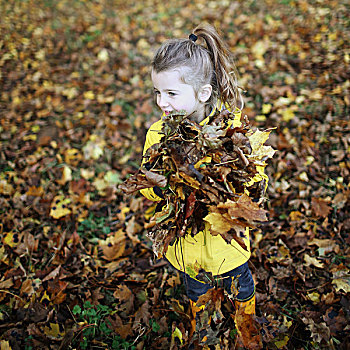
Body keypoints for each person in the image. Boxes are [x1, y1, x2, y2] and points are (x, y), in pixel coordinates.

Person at [139, 24, 267, 347]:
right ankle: (204, 331)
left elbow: (254, 178)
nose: (161, 103)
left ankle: (246, 329)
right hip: (188, 246)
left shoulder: (229, 133)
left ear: (203, 93)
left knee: (242, 287)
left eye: (171, 94)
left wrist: (232, 186)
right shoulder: (158, 134)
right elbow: (147, 181)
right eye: (157, 93)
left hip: (227, 244)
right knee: (197, 291)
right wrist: (167, 185)